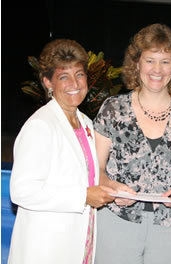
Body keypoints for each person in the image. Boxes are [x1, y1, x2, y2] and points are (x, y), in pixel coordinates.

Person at [93, 23, 171, 264]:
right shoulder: (113, 109)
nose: (157, 69)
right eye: (150, 60)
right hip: (117, 221)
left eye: (165, 61)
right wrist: (112, 187)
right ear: (136, 63)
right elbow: (96, 170)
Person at [8, 39, 116, 264]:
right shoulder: (40, 125)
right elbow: (22, 191)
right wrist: (83, 196)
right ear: (48, 82)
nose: (74, 83)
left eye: (79, 74)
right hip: (47, 248)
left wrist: (114, 190)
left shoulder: (85, 122)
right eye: (63, 76)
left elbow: (87, 176)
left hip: (80, 242)